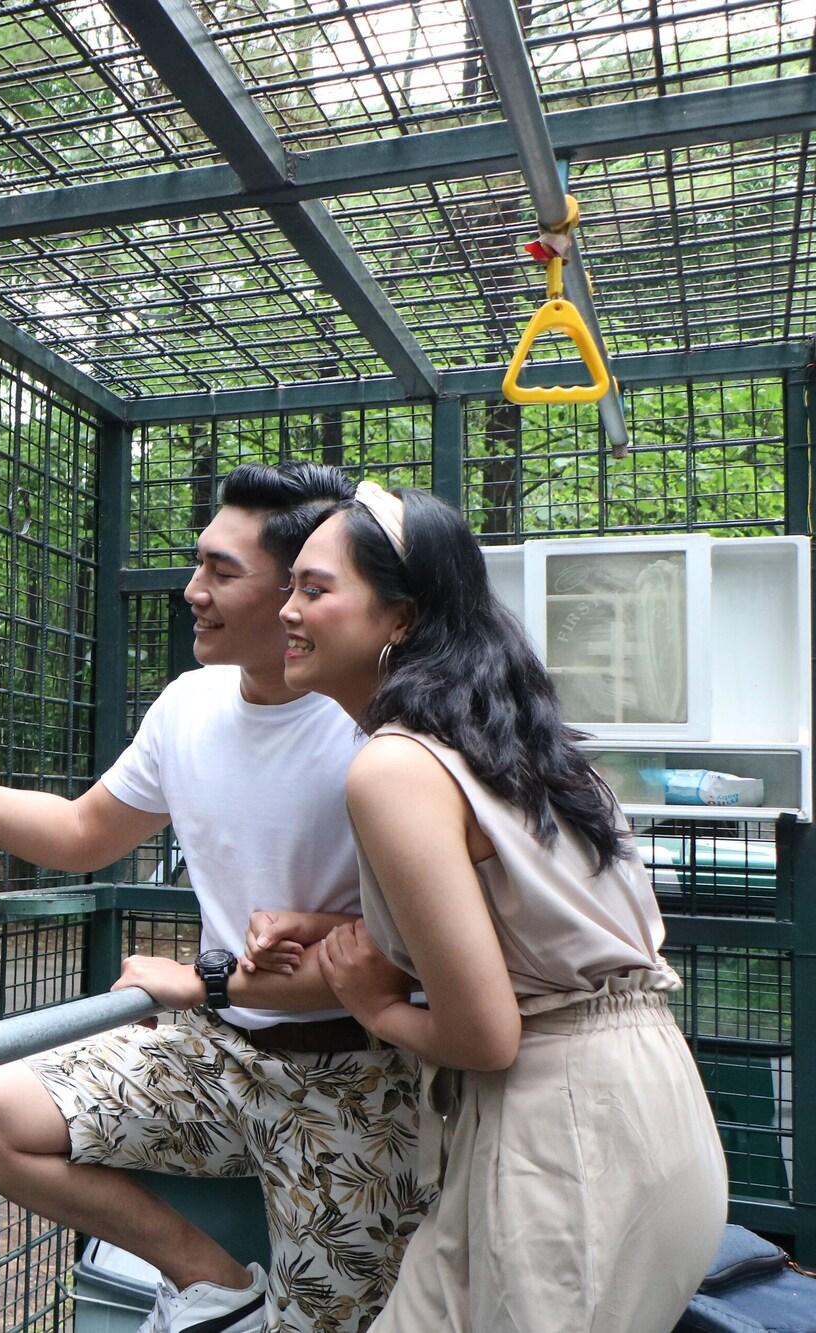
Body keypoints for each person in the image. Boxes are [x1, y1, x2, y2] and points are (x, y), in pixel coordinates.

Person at [0, 463, 432, 1333]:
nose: (193, 591)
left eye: (224, 572)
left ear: (302, 593)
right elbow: (82, 832)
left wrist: (209, 976)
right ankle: (213, 1284)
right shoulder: (189, 703)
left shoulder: (375, 727)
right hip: (214, 1054)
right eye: (198, 565)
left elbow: (400, 955)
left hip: (358, 1079)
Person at [270, 481, 727, 1331]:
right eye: (289, 586)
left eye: (314, 587)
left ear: (401, 616)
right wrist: (341, 935)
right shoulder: (512, 742)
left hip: (568, 1137)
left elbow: (486, 1031)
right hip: (634, 1112)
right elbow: (519, 934)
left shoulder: (394, 767)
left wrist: (369, 1003)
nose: (286, 610)